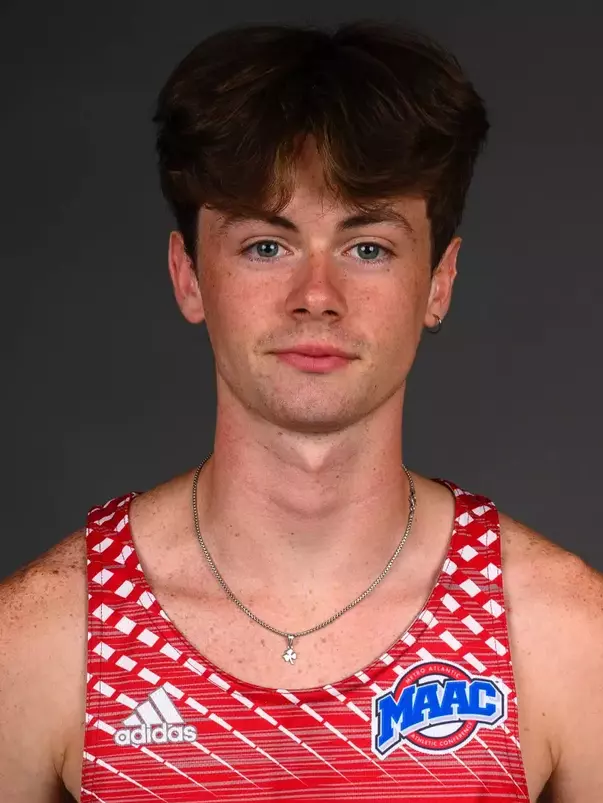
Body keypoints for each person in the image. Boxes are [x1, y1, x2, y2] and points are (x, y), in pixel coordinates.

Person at [1, 19, 601, 803]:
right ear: (188, 275)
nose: (315, 296)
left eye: (367, 247)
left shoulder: (564, 636)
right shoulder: (41, 644)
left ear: (439, 282)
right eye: (265, 246)